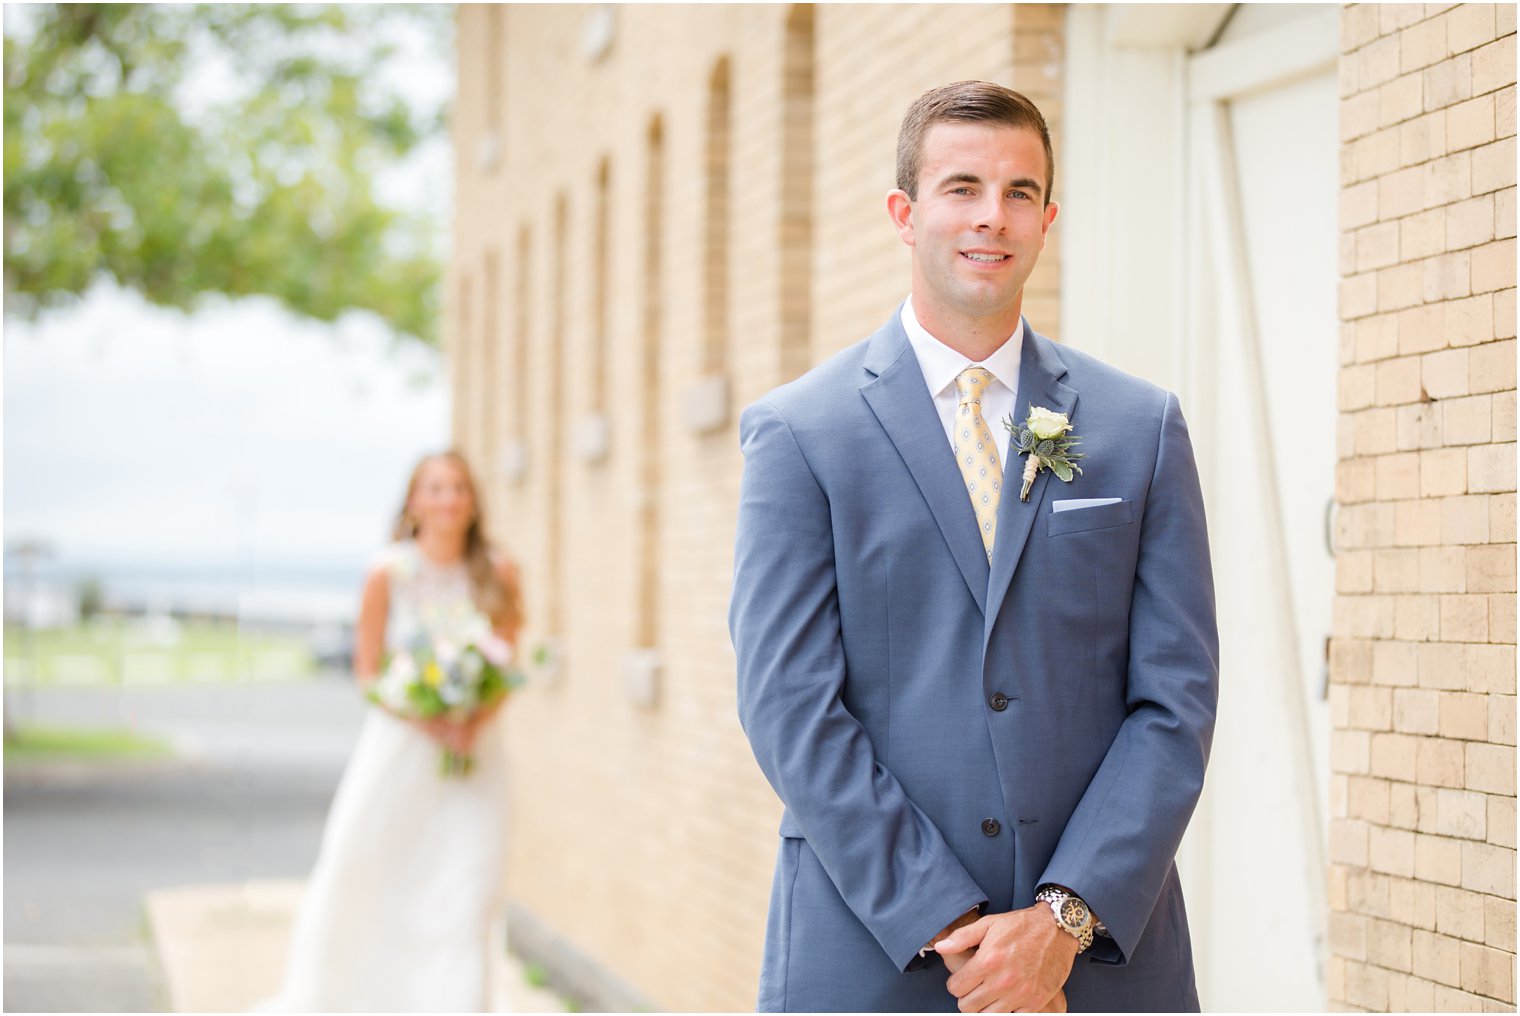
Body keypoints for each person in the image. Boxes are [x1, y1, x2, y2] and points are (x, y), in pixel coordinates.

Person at [728, 81, 1218, 1013]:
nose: (992, 217)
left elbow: (1176, 700)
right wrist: (945, 917)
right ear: (904, 214)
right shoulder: (801, 434)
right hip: (876, 954)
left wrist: (1061, 922)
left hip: (1101, 965)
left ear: (1047, 217)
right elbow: (788, 704)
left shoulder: (1138, 427)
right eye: (962, 188)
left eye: (1019, 192)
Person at [260, 450, 523, 1012]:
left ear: (472, 501)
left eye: (458, 487)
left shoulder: (498, 572)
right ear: (413, 501)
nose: (447, 499)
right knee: (369, 870)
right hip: (400, 750)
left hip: (476, 754)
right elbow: (367, 673)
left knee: (466, 887)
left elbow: (508, 664)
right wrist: (427, 716)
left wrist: (471, 719)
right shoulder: (389, 571)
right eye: (435, 488)